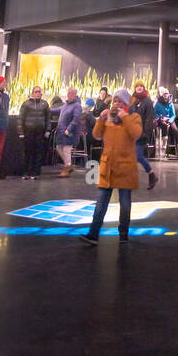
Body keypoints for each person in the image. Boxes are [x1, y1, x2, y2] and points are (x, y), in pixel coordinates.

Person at [79, 90, 142, 246]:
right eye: (115, 101)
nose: (117, 104)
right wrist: (101, 119)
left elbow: (136, 134)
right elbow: (96, 135)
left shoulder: (134, 117)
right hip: (107, 166)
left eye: (121, 101)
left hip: (125, 167)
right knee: (101, 202)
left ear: (127, 104)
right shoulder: (107, 118)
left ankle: (123, 234)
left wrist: (124, 118)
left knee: (125, 203)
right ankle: (93, 234)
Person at [130, 81, 158, 190]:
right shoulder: (131, 100)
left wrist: (145, 133)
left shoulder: (147, 101)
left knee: (138, 155)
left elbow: (149, 118)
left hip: (141, 133)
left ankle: (151, 174)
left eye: (141, 86)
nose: (139, 87)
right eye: (137, 86)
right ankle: (131, 179)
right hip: (131, 133)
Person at [19, 85, 50, 180]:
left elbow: (48, 118)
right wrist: (21, 132)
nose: (38, 93)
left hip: (40, 132)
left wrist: (47, 130)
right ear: (32, 93)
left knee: (38, 153)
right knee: (27, 153)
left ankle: (34, 173)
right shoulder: (26, 104)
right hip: (28, 132)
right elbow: (21, 119)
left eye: (39, 92)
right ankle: (25, 172)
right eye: (36, 91)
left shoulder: (45, 104)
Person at [55, 87, 82, 176]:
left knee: (67, 149)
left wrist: (69, 129)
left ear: (74, 94)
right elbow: (57, 110)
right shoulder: (65, 105)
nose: (68, 95)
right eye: (68, 93)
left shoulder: (77, 106)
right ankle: (69, 165)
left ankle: (67, 168)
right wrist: (45, 108)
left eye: (70, 93)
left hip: (69, 132)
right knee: (59, 147)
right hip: (61, 131)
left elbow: (76, 119)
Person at [153, 86, 178, 157]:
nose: (166, 95)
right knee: (163, 124)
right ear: (162, 95)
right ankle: (164, 144)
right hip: (161, 119)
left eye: (167, 94)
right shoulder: (158, 103)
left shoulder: (170, 103)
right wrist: (161, 117)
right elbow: (154, 112)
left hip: (169, 119)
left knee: (175, 129)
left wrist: (169, 120)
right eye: (164, 94)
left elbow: (173, 114)